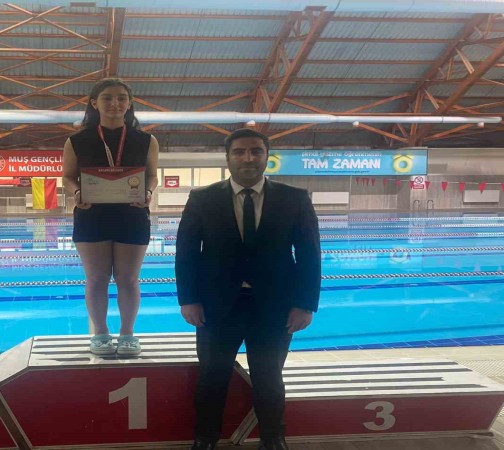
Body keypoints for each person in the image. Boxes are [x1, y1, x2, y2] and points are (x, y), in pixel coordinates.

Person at [175, 128, 321, 450]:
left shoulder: (294, 198)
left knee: (269, 377)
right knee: (212, 376)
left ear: (267, 156)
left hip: (273, 306)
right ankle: (205, 438)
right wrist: (189, 299)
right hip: (216, 305)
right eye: (239, 152)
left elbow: (310, 255)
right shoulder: (202, 198)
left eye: (256, 151)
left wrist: (304, 304)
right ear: (228, 158)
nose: (248, 158)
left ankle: (273, 438)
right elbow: (186, 253)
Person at [62, 78, 159, 356]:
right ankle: (101, 333)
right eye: (107, 98)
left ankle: (127, 333)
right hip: (91, 214)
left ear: (129, 103)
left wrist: (148, 192)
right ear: (94, 103)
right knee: (96, 278)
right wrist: (76, 192)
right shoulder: (77, 140)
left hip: (133, 214)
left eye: (121, 98)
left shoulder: (146, 140)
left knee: (128, 278)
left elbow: (152, 175)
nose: (114, 103)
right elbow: (67, 177)